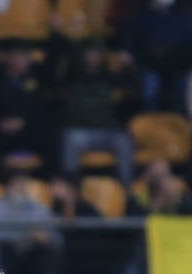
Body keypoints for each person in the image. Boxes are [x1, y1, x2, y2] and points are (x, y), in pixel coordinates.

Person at [58, 41, 136, 187]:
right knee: (71, 139)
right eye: (89, 54)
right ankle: (70, 187)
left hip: (107, 131)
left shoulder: (108, 78)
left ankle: (126, 189)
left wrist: (129, 67)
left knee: (124, 141)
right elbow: (65, 59)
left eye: (96, 54)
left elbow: (132, 89)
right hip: (81, 131)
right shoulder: (73, 76)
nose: (93, 58)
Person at [0, 172, 65, 274]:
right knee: (3, 248)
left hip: (32, 254)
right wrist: (28, 234)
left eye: (22, 186)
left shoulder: (38, 208)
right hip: (10, 255)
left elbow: (55, 236)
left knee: (47, 249)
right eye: (16, 186)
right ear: (7, 189)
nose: (20, 189)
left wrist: (46, 237)